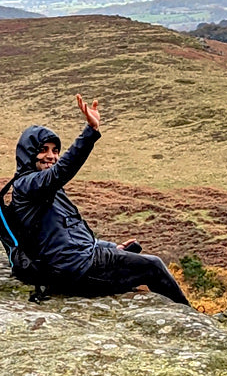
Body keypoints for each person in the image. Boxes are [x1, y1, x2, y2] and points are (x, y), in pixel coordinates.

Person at [10, 94, 190, 305]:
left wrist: (112, 247)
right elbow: (62, 171)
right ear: (28, 154)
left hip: (73, 265)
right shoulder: (27, 185)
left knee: (133, 255)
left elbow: (69, 234)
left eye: (55, 150)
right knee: (153, 266)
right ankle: (194, 320)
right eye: (43, 150)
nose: (51, 156)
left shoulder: (49, 190)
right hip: (74, 270)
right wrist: (90, 133)